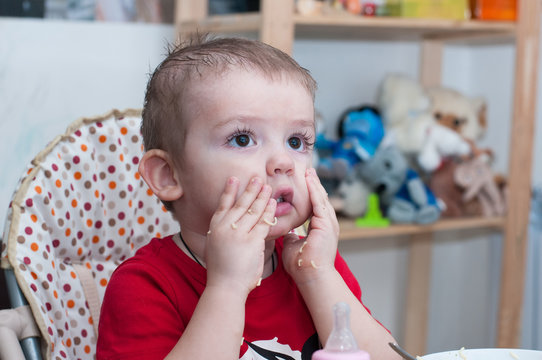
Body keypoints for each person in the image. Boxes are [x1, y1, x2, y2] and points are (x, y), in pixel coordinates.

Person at [97, 36, 399, 360]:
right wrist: (226, 286)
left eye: (296, 141)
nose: (283, 161)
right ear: (169, 175)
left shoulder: (314, 261)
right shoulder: (144, 286)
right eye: (242, 139)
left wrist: (317, 275)